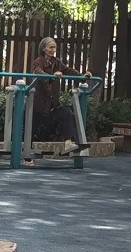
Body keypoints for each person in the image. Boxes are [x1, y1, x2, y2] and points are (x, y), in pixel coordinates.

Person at [24, 37, 91, 166]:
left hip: (52, 104)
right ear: (44, 48)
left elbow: (68, 70)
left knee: (67, 115)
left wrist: (82, 76)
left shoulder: (57, 62)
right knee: (31, 130)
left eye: (54, 47)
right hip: (38, 105)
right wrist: (52, 76)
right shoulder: (38, 62)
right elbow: (39, 73)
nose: (53, 50)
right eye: (50, 47)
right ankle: (27, 158)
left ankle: (68, 143)